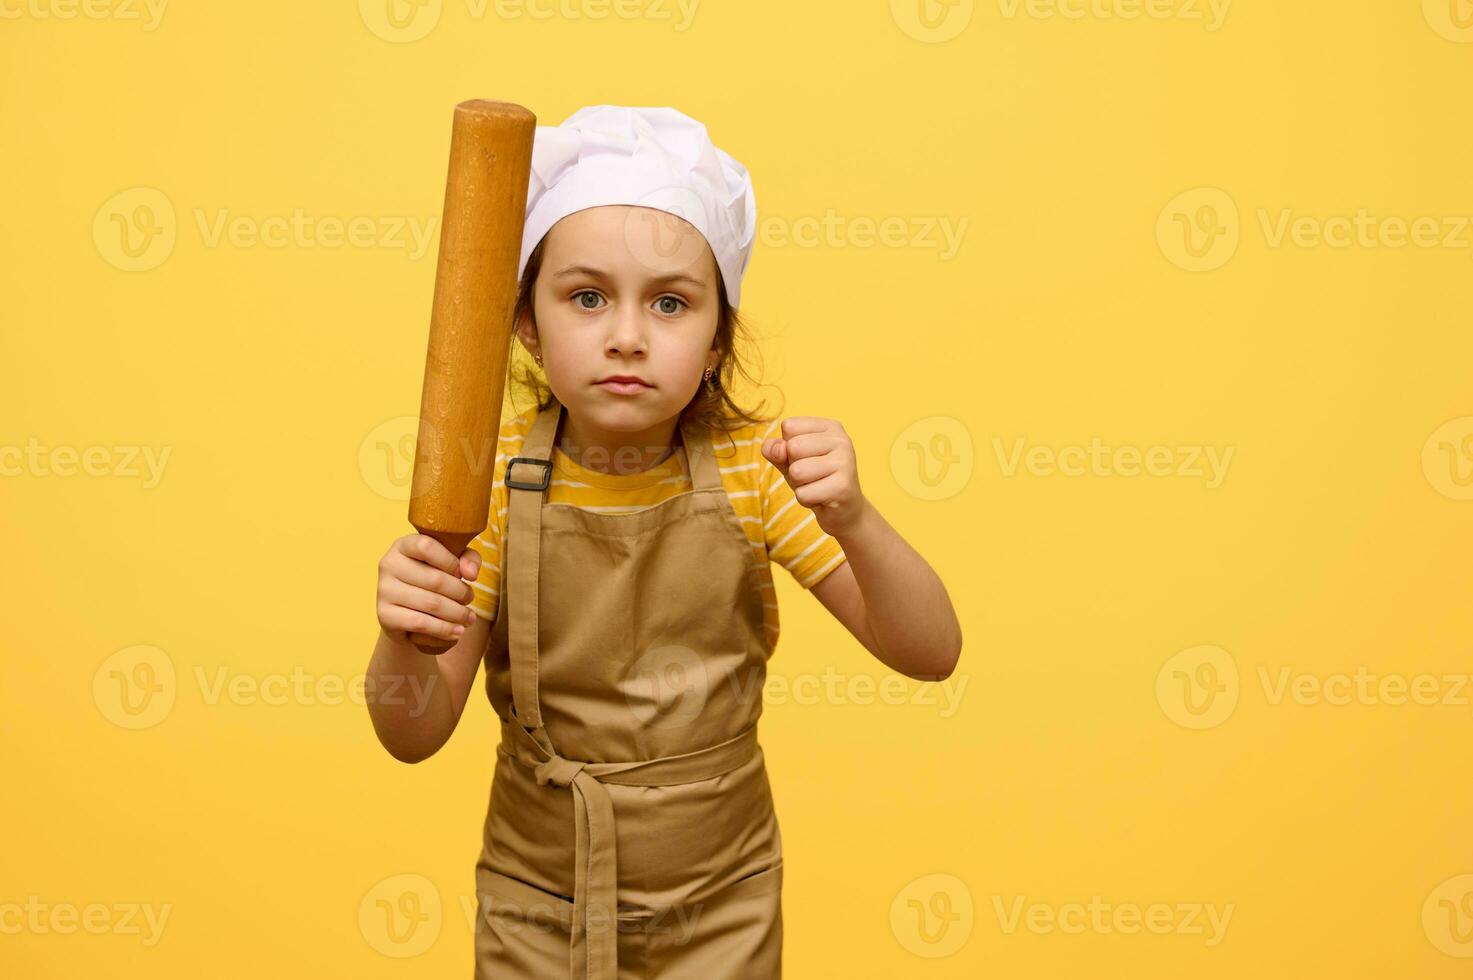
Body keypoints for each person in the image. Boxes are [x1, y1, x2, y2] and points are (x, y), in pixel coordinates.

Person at [365, 105, 963, 979]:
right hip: (539, 901)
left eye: (671, 303)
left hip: (721, 902)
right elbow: (412, 734)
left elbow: (931, 653)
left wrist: (858, 523)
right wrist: (400, 633)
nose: (627, 335)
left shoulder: (759, 475)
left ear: (718, 338)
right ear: (525, 322)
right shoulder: (484, 483)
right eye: (585, 296)